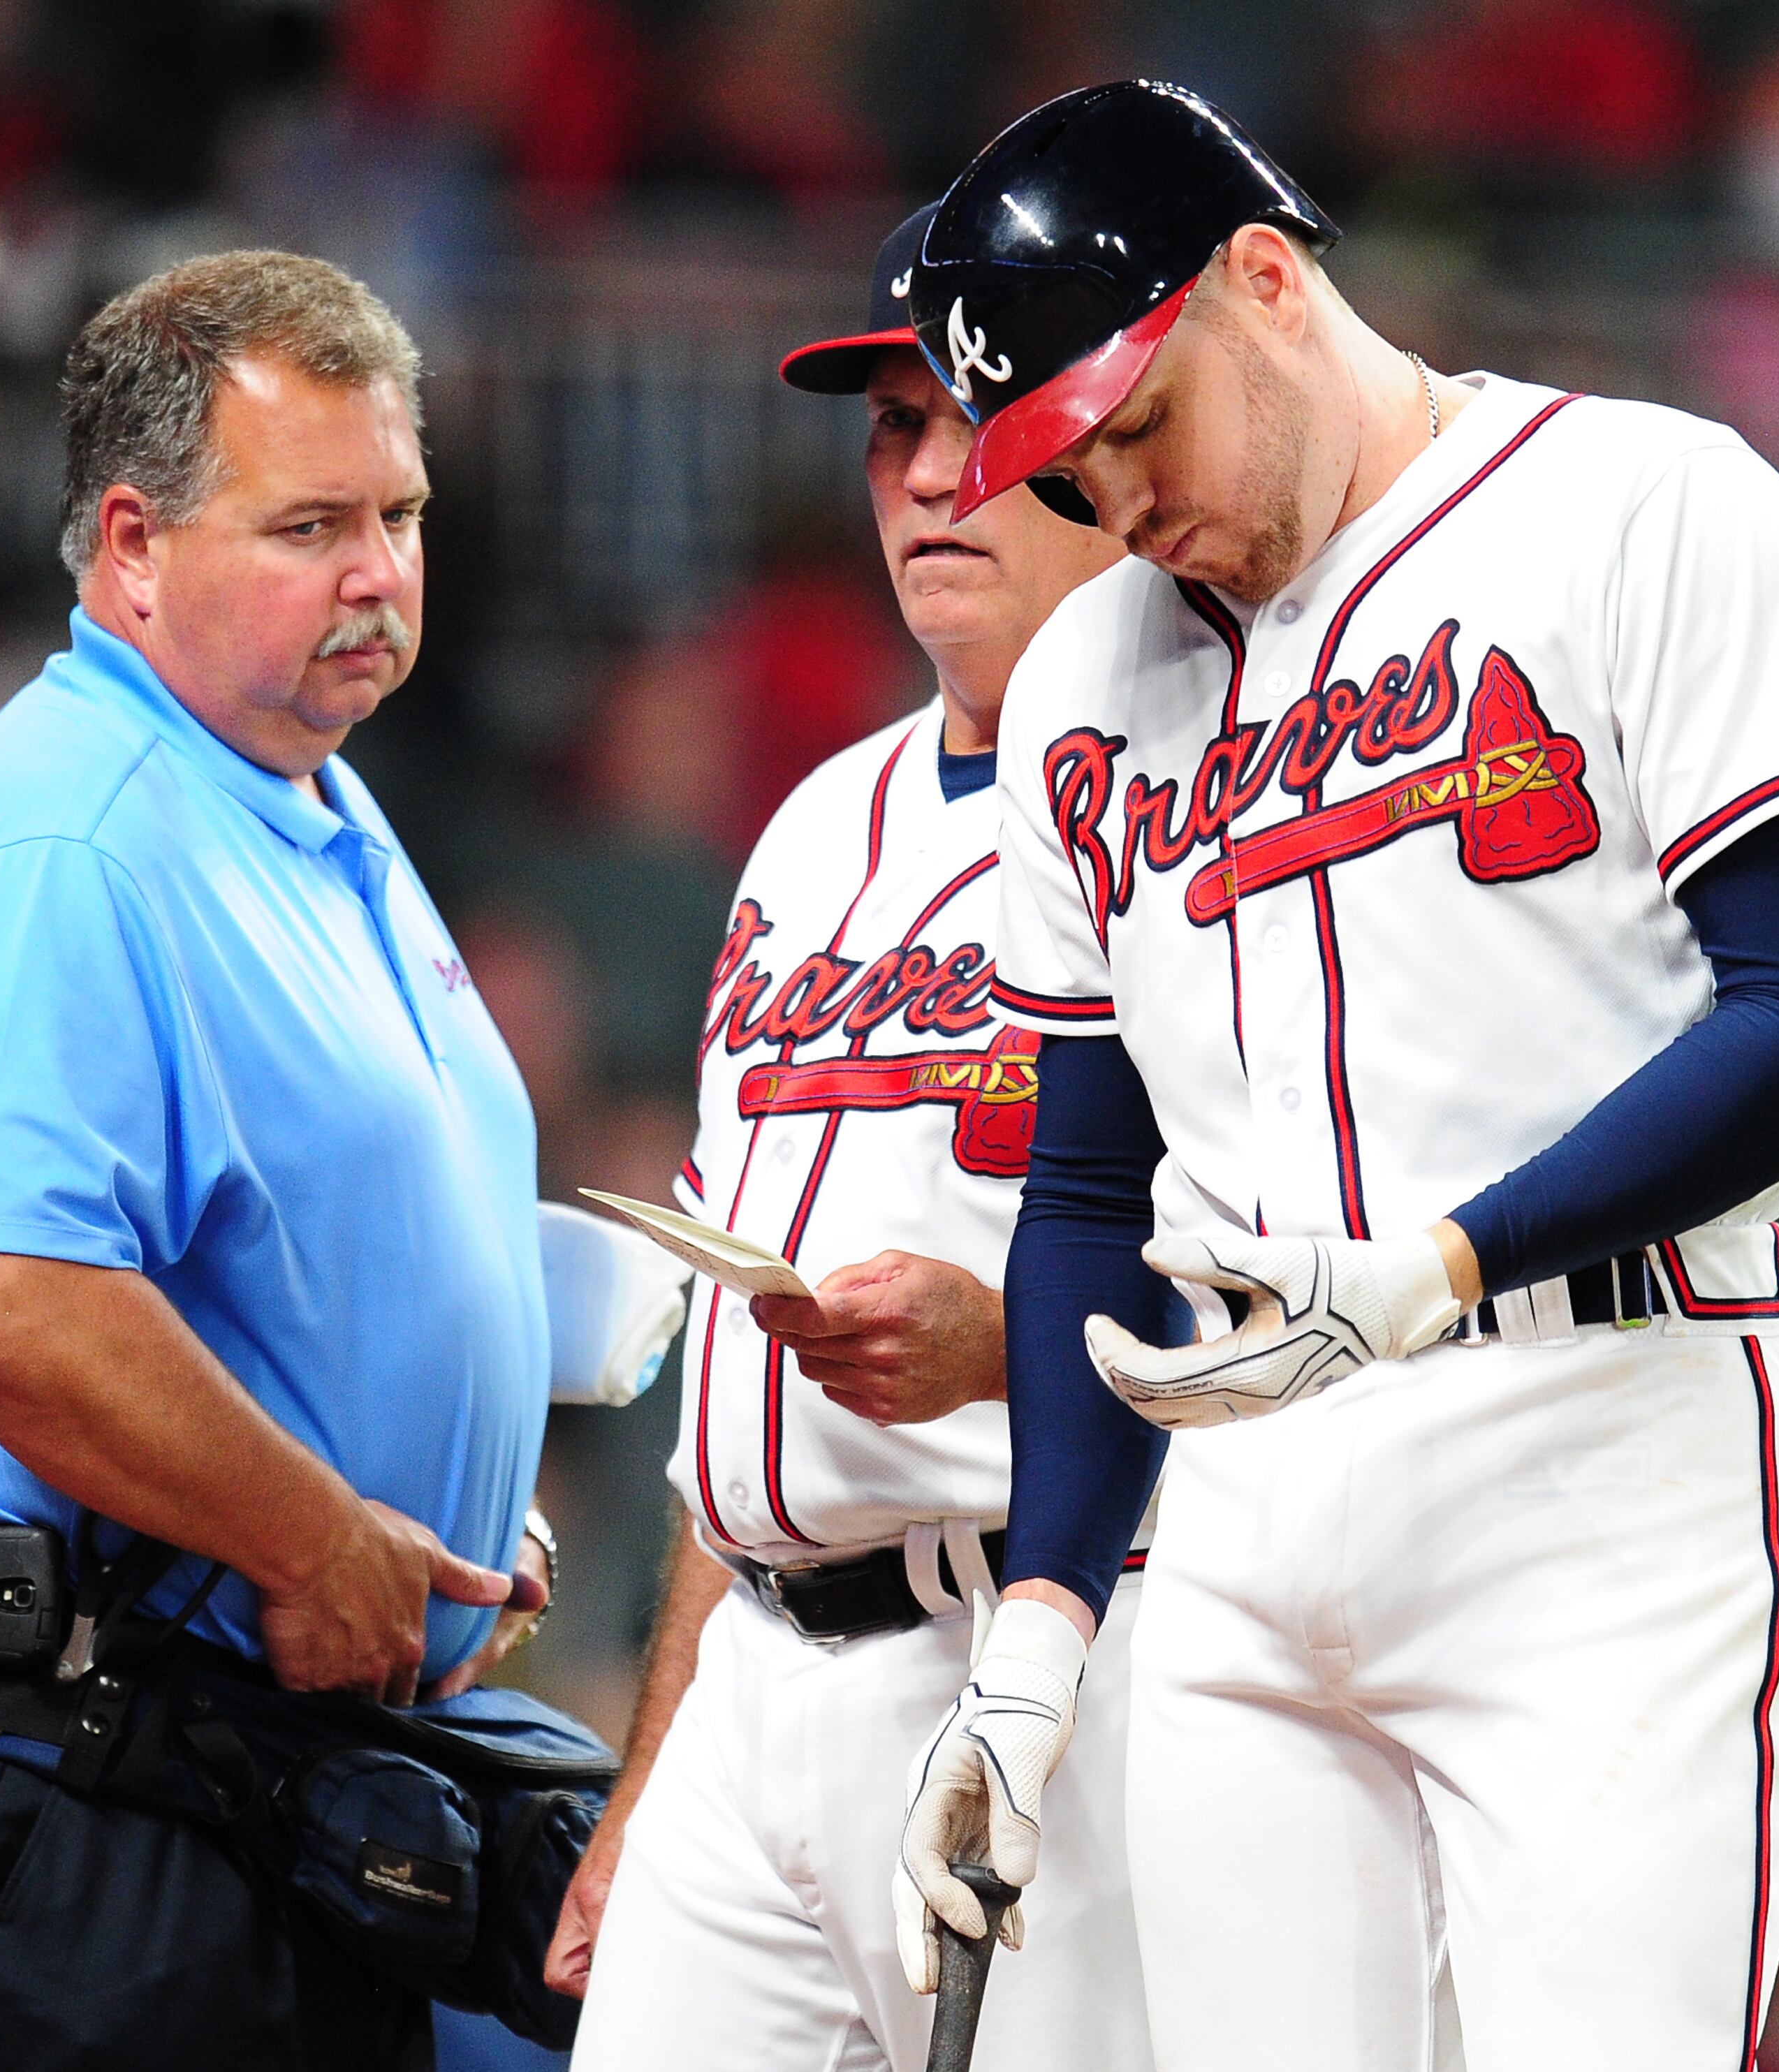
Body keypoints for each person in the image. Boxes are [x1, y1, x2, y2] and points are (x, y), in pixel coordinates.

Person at [890, 82, 1779, 2071]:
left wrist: (1441, 1261)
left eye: (1134, 425)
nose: (1112, 497)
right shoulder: (1089, 681)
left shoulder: (1642, 505)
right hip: (1245, 1517)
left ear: (1266, 282)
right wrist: (1034, 1640)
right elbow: (1090, 1197)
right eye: (1064, 472)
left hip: (1603, 1449)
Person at [0, 250, 558, 2072]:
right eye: (310, 526)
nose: (380, 573)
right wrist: (317, 1525)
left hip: (248, 1766)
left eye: (401, 511)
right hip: (80, 1768)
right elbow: (2, 1297)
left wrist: (447, 1497)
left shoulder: (297, 787)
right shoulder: (75, 834)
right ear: (132, 547)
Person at [549, 207, 1154, 2072]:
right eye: (890, 429)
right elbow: (722, 1402)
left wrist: (1006, 1344)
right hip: (751, 1682)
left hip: (1050, 1660)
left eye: (974, 418)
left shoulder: (1205, 807)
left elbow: (1328, 1292)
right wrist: (657, 1767)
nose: (924, 476)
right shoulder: (816, 824)